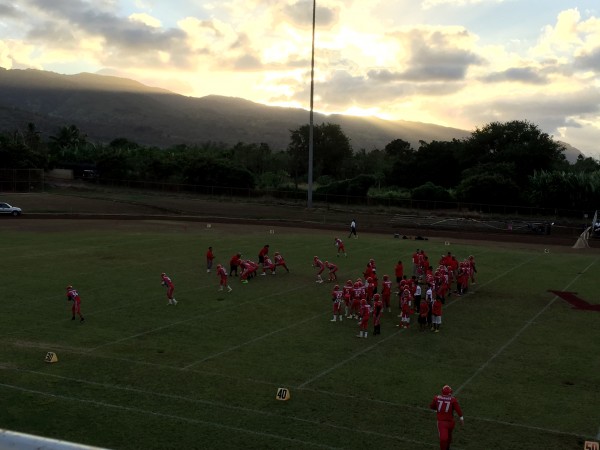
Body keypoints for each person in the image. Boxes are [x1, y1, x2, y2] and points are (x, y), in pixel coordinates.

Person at [429, 385, 464, 450]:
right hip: (451, 422)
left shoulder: (436, 398)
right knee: (448, 437)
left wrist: (438, 408)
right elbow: (458, 409)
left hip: (442, 423)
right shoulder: (453, 400)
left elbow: (432, 406)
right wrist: (461, 418)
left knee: (443, 439)